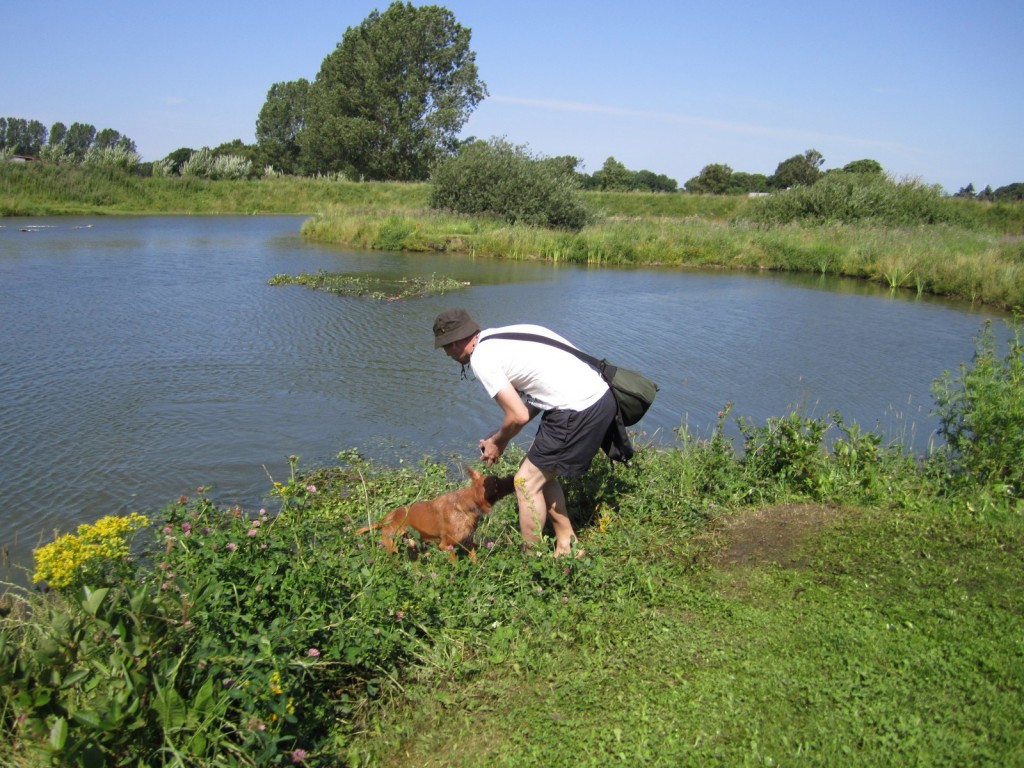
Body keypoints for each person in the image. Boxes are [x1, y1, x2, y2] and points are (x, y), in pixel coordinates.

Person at [433, 308, 617, 557]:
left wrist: (499, 440)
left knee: (525, 483)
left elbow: (517, 415)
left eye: (445, 349)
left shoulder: (482, 360)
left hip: (578, 408)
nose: (447, 354)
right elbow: (534, 401)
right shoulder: (503, 336)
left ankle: (531, 560)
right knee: (539, 473)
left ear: (454, 343)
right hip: (594, 397)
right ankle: (568, 544)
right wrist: (500, 437)